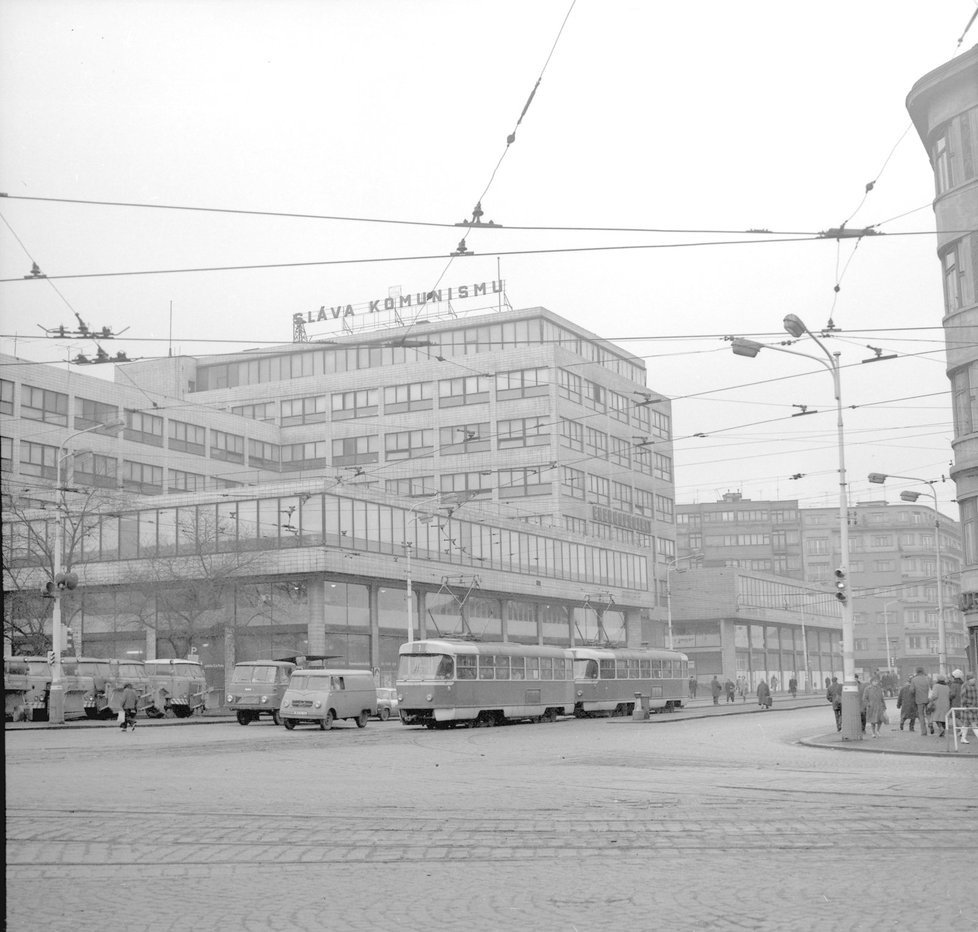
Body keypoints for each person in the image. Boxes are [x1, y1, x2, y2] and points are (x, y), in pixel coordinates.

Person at [910, 667, 932, 737]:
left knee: (921, 715)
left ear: (916, 672)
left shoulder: (914, 680)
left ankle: (924, 731)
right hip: (928, 699)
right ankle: (930, 723)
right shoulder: (928, 678)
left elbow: (912, 690)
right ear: (923, 671)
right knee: (928, 713)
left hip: (919, 700)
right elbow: (932, 687)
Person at [957, 673, 978, 744]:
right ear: (969, 680)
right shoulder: (965, 686)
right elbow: (963, 698)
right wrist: (965, 706)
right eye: (972, 678)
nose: (974, 679)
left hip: (973, 708)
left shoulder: (974, 687)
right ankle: (963, 738)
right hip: (968, 708)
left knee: (966, 724)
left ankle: (963, 738)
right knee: (973, 723)